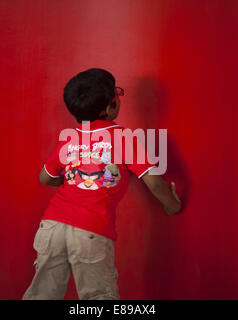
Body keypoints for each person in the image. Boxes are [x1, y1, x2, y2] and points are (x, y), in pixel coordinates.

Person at [22, 68, 182, 300]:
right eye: (117, 95)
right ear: (109, 108)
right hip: (91, 231)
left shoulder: (70, 138)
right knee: (99, 296)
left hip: (52, 226)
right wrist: (172, 206)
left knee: (42, 294)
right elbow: (154, 182)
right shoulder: (123, 138)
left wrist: (70, 180)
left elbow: (44, 178)